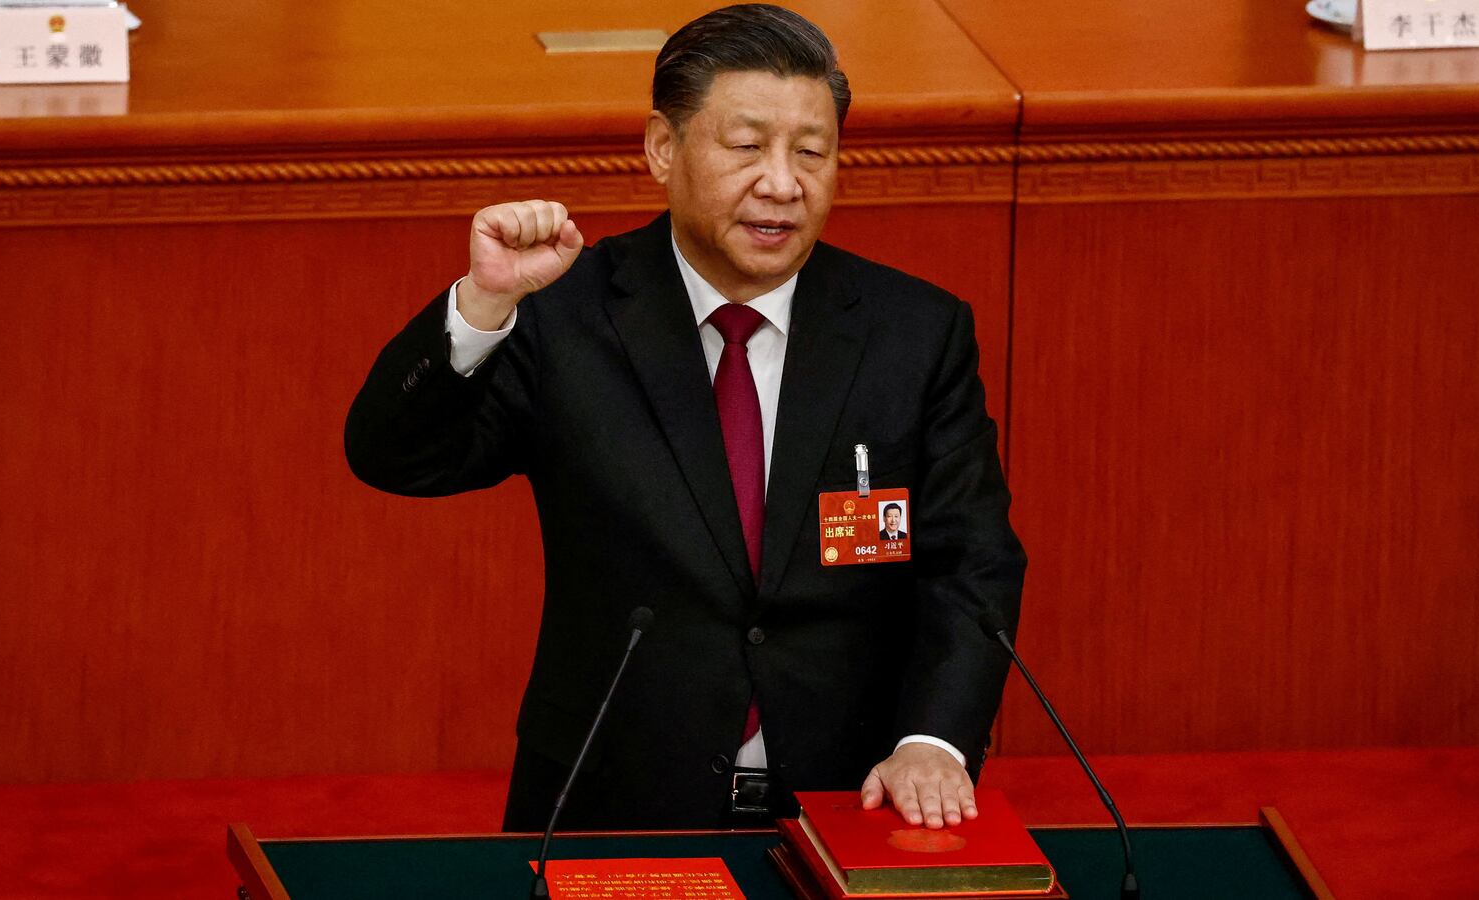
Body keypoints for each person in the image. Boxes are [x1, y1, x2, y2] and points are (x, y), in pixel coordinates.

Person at [345, 3, 1025, 833]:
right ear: (663, 148)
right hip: (615, 802)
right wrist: (485, 302)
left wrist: (934, 741)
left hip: (850, 801)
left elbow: (972, 561)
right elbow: (395, 456)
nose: (783, 182)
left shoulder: (913, 332)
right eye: (746, 147)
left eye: (812, 152)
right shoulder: (567, 316)